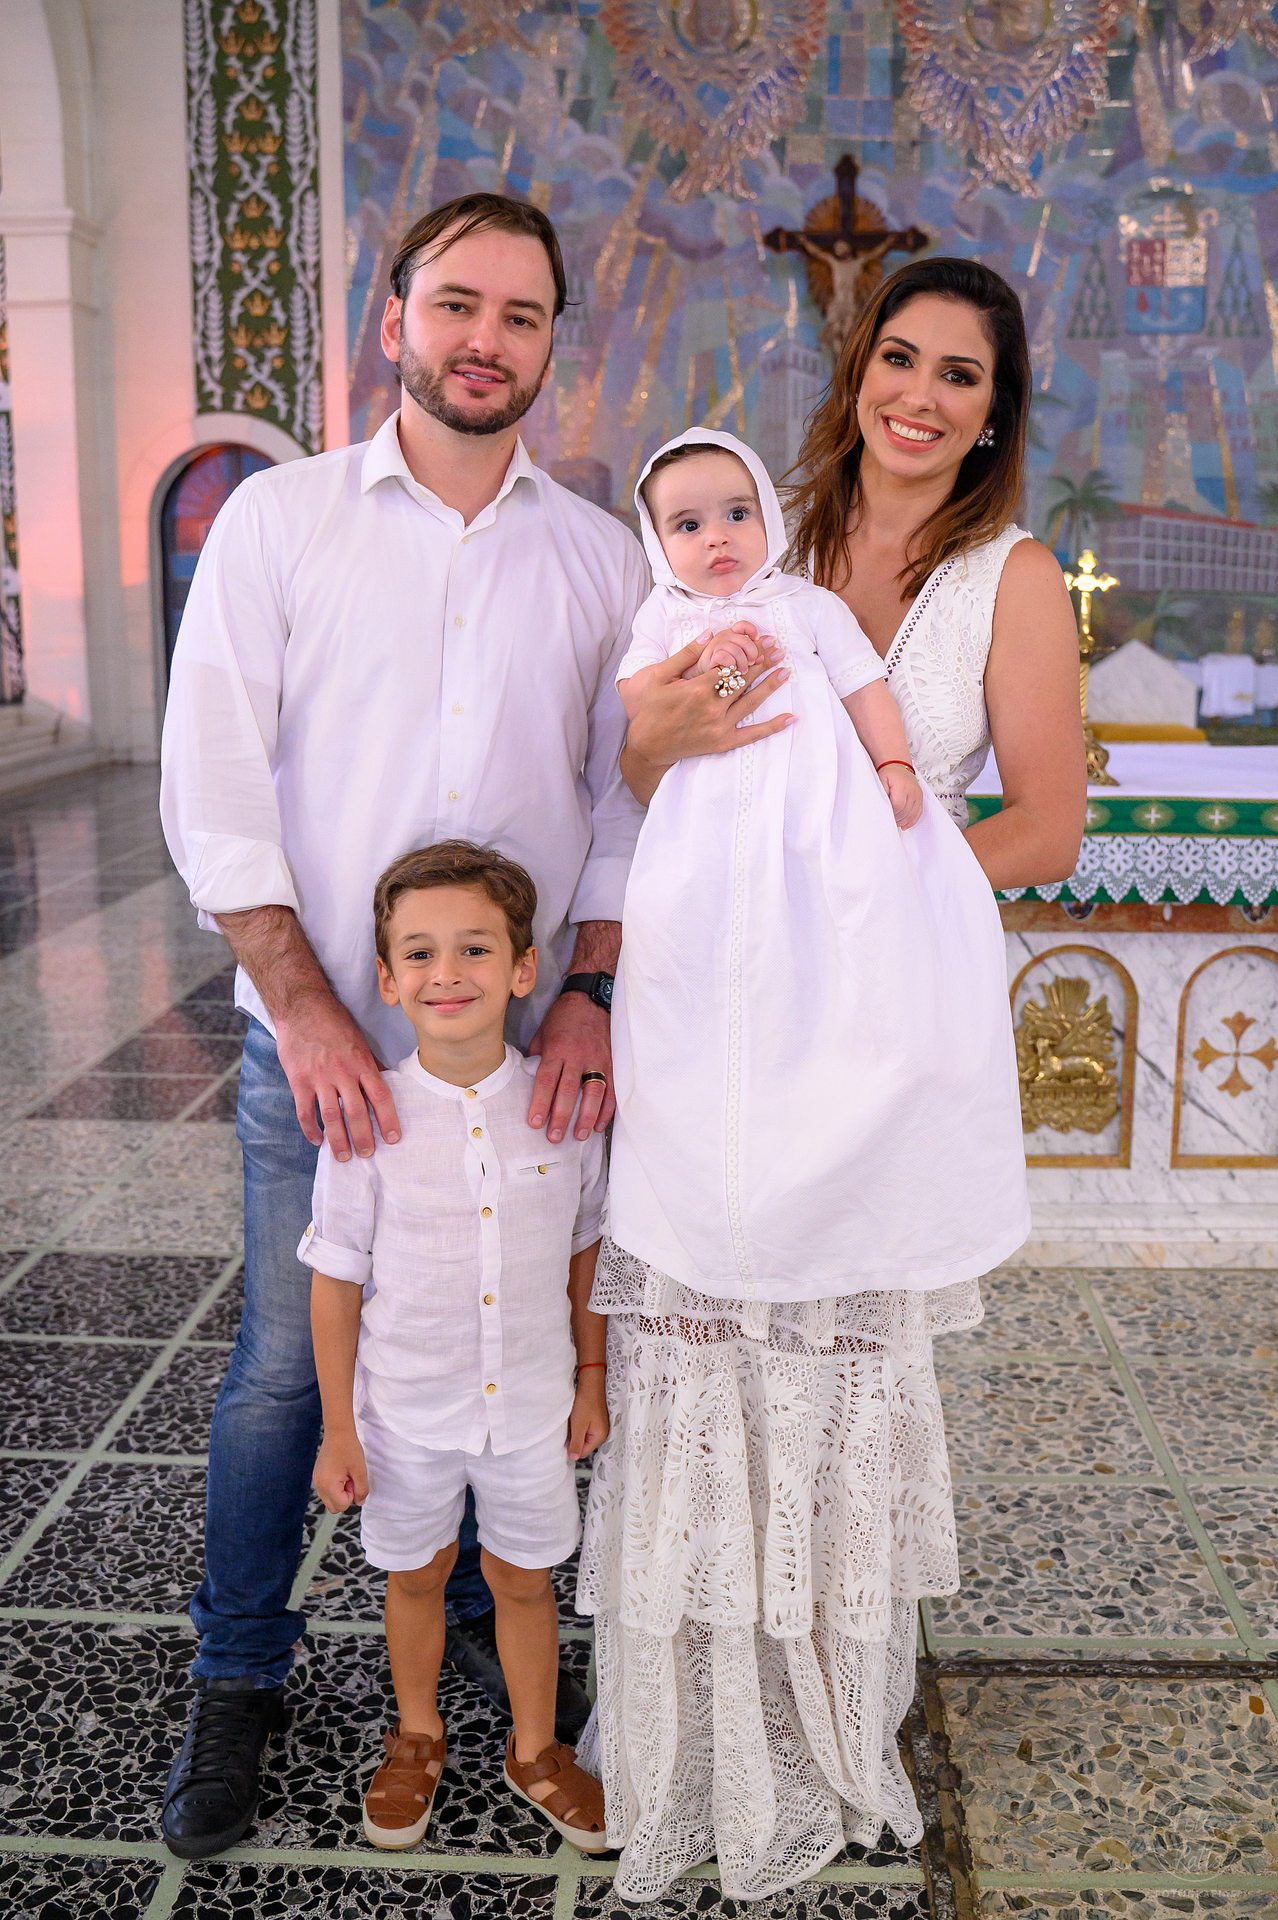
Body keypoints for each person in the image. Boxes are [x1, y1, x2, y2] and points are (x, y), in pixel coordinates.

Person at [157, 190, 658, 1860]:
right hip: (322, 1046)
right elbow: (213, 780)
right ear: (393, 321)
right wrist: (304, 1006)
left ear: (551, 344)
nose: (483, 340)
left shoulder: (595, 559)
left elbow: (619, 803)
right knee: (285, 1370)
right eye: (455, 304)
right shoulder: (280, 523)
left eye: (519, 315)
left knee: (524, 1341)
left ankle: (519, 1680)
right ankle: (238, 1676)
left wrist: (586, 988)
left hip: (512, 1056)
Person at [577, 261, 1086, 1902]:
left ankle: (812, 1733)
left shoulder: (1005, 578)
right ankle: (685, 1735)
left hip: (866, 1040)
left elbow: (1044, 826)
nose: (919, 395)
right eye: (898, 358)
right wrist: (667, 736)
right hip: (715, 1026)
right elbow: (642, 760)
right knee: (697, 1363)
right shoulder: (751, 535)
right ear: (855, 369)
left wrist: (868, 907)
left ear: (993, 411)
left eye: (959, 374)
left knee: (830, 1379)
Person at [303, 841, 610, 1854]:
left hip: (530, 1407)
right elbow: (335, 1281)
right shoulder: (369, 1123)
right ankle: (417, 1733)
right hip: (405, 1413)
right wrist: (339, 1428)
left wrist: (592, 1379)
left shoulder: (562, 1111)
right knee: (418, 1575)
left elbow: (586, 1252)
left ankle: (536, 1749)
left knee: (525, 1580)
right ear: (388, 980)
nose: (448, 973)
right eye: (420, 954)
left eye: (475, 949)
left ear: (523, 970)